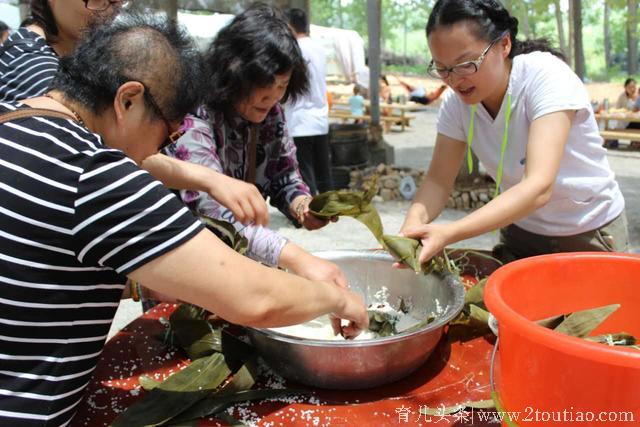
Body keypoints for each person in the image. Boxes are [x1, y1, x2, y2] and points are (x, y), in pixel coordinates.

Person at [0, 15, 368, 426]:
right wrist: (338, 300)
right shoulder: (93, 172)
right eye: (167, 136)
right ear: (128, 101)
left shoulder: (14, 122)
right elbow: (252, 298)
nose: (158, 154)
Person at [0, 0, 268, 229]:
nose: (109, 11)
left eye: (118, 2)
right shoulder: (34, 66)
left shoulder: (71, 55)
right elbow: (99, 153)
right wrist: (207, 178)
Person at [399, 0, 628, 265]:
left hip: (589, 231)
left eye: (466, 64)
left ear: (504, 44)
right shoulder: (455, 105)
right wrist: (412, 227)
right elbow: (438, 181)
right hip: (521, 233)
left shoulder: (545, 76)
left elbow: (538, 186)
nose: (454, 79)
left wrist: (450, 232)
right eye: (442, 68)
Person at [166, 4, 349, 292]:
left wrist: (302, 205)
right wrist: (297, 258)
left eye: (283, 85)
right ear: (233, 74)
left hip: (240, 261)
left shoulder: (271, 111)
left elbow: (283, 174)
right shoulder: (194, 112)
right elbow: (214, 212)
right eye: (264, 85)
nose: (272, 96)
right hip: (184, 265)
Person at [284, 8, 332, 195]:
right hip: (320, 117)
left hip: (299, 117)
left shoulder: (294, 49)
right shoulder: (320, 48)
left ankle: (308, 209)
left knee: (304, 169)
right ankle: (331, 206)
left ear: (290, 26)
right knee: (323, 167)